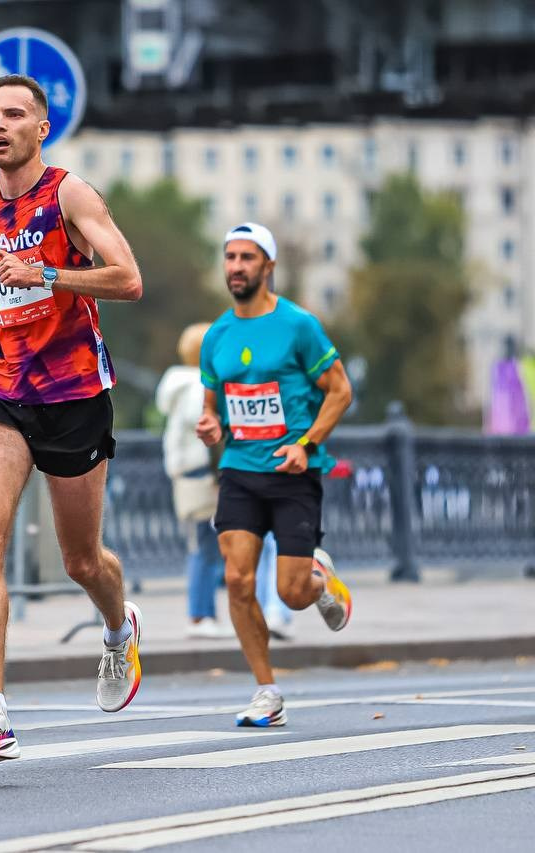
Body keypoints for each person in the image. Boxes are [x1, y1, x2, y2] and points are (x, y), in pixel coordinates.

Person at [0, 74, 144, 762]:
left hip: (73, 392)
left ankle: (119, 629)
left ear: (42, 128)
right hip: (0, 382)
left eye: (14, 115)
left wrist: (52, 276)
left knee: (81, 559)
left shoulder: (70, 194)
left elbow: (127, 277)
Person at [196, 222, 354, 728]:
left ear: (268, 266)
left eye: (247, 257)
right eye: (229, 257)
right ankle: (267, 690)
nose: (236, 267)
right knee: (238, 578)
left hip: (293, 473)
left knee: (290, 593)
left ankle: (319, 580)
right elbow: (212, 406)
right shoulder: (216, 334)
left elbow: (340, 390)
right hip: (241, 469)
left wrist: (307, 445)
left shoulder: (299, 326)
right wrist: (211, 424)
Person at [156, 323, 233, 639]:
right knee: (206, 546)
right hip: (202, 475)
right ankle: (201, 617)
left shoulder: (177, 385)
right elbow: (210, 432)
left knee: (204, 544)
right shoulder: (198, 388)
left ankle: (206, 614)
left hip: (186, 474)